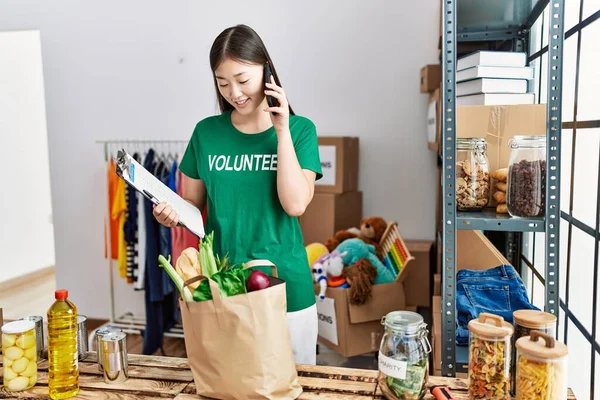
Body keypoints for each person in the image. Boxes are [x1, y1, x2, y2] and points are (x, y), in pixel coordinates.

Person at [152, 24, 323, 365]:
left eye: (243, 80)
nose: (234, 92)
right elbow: (191, 204)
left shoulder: (301, 130)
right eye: (222, 82)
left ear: (267, 71)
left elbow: (295, 204)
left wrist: (282, 130)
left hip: (286, 287)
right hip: (223, 287)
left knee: (293, 386)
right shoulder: (206, 133)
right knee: (229, 385)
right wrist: (169, 212)